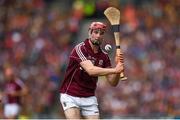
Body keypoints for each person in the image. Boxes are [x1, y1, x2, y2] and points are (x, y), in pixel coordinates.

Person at [59, 22, 124, 119]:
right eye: (96, 32)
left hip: (89, 97)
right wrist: (115, 70)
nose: (98, 36)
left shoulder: (104, 56)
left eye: (101, 33)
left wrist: (118, 69)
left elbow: (113, 82)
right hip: (70, 95)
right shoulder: (80, 49)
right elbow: (91, 70)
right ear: (90, 33)